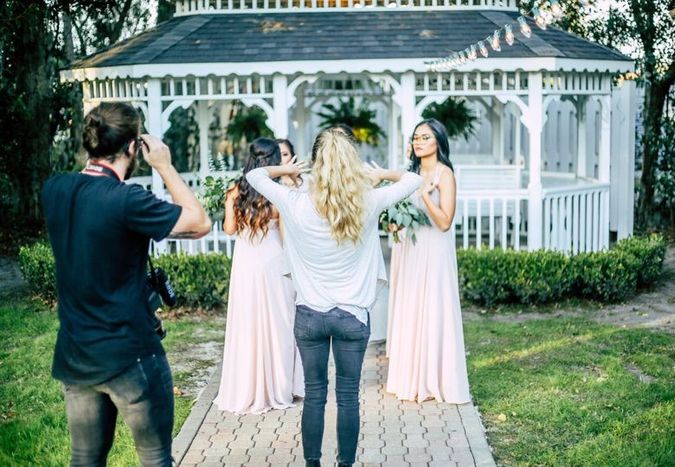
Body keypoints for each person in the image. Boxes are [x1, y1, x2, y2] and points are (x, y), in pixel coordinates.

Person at [42, 102, 211, 466]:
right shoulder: (127, 201)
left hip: (76, 354)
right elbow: (199, 223)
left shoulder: (54, 190)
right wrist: (164, 165)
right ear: (134, 147)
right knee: (154, 458)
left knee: (84, 459)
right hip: (130, 354)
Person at [246, 128, 421, 467]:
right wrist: (381, 174)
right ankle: (345, 464)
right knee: (348, 397)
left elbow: (254, 174)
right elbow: (413, 179)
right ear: (351, 163)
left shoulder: (293, 201)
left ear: (315, 162)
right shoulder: (368, 201)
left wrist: (289, 170)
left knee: (314, 395)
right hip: (352, 316)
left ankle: (312, 463)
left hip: (309, 315)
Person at [213, 138, 304, 414]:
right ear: (275, 160)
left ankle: (248, 387)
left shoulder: (234, 191)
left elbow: (229, 229)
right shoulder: (278, 193)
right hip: (274, 260)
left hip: (246, 263)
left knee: (247, 322)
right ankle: (279, 387)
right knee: (280, 322)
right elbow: (287, 237)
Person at [385, 118, 471, 404]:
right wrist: (394, 223)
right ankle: (410, 377)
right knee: (412, 307)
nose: (418, 142)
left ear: (438, 141)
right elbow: (397, 214)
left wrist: (424, 194)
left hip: (434, 250)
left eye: (424, 137)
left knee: (433, 307)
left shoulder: (445, 174)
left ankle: (435, 378)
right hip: (411, 250)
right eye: (415, 138)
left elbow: (445, 222)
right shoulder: (411, 173)